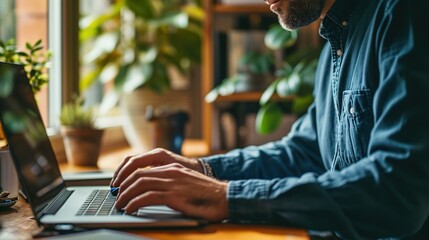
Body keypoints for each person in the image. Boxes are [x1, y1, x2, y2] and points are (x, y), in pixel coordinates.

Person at [111, 0, 429, 238]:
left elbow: (398, 188)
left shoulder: (404, 16)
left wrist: (227, 196)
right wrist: (201, 170)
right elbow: (305, 152)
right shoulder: (336, 45)